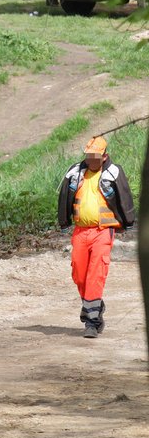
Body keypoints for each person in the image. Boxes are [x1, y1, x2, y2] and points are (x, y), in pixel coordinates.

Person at [58, 135, 134, 338]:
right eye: (89, 156)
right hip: (80, 232)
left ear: (104, 156)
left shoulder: (113, 172)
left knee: (95, 274)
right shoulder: (75, 172)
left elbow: (124, 196)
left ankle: (91, 322)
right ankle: (96, 306)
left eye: (95, 157)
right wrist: (64, 222)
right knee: (79, 273)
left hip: (103, 231)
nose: (91, 160)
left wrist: (128, 222)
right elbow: (64, 195)